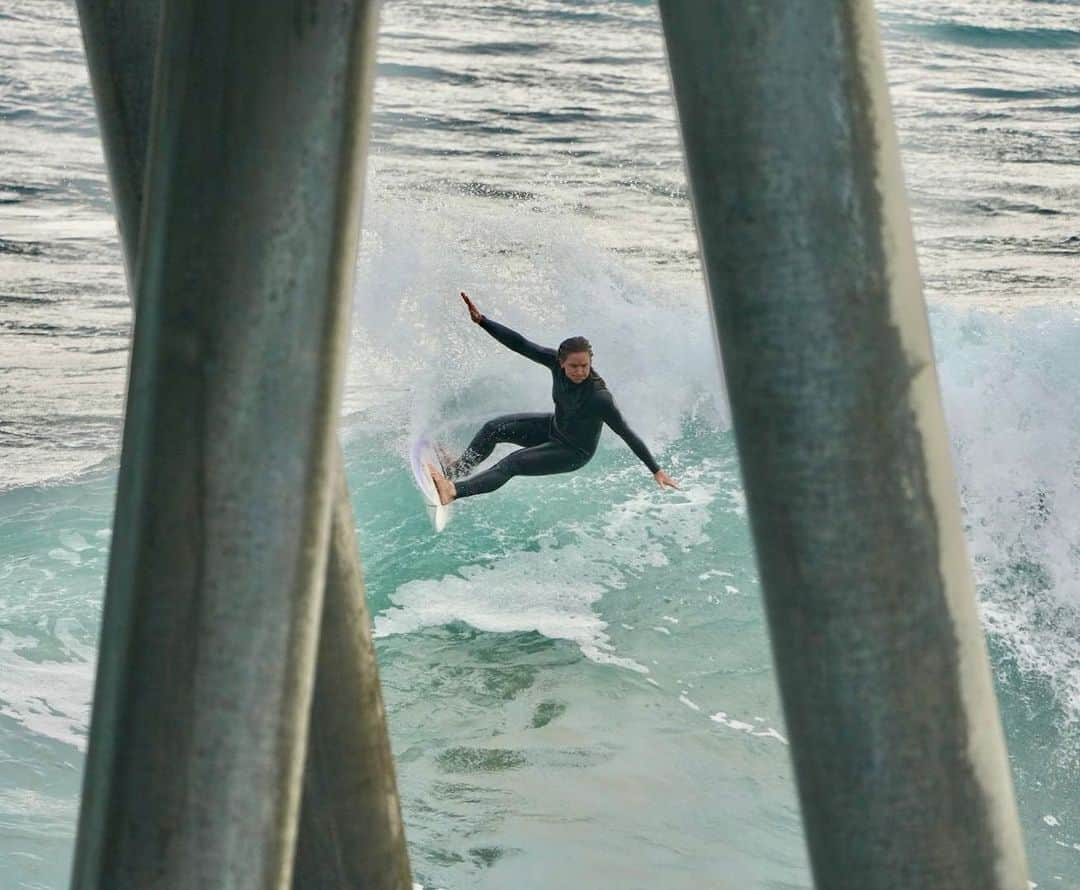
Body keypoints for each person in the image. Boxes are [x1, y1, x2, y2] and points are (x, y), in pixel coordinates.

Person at [427, 292, 680, 505]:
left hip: (572, 452)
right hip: (554, 428)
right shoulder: (554, 363)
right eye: (574, 366)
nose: (580, 371)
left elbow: (627, 433)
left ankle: (453, 491)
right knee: (494, 428)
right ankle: (457, 471)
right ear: (561, 362)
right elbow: (521, 344)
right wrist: (483, 321)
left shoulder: (599, 397)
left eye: (585, 366)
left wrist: (655, 470)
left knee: (512, 464)